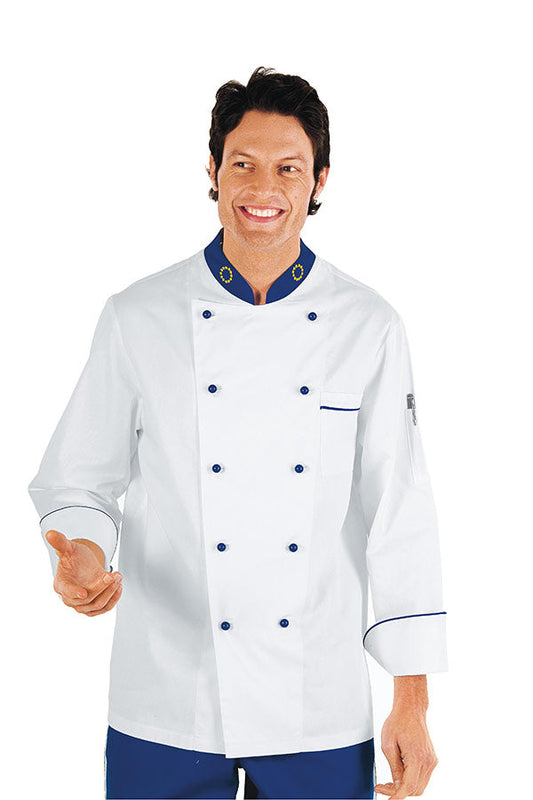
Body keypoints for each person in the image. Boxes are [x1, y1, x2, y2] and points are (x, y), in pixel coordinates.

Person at [28, 66, 448, 800]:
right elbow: (79, 479)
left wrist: (411, 700)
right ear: (213, 172)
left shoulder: (368, 325)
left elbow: (398, 515)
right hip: (167, 696)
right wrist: (83, 555)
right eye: (243, 164)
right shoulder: (139, 316)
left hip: (316, 702)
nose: (263, 187)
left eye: (288, 168)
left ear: (319, 181)